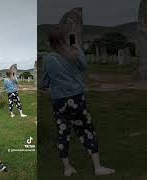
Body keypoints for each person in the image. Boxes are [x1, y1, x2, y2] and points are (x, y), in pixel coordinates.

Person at [41, 28, 115, 176]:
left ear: (50, 43)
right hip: (77, 97)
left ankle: (67, 168)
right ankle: (98, 167)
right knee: (87, 129)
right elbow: (84, 67)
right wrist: (77, 48)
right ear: (65, 40)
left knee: (63, 132)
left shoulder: (47, 59)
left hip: (58, 100)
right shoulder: (73, 53)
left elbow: (44, 83)